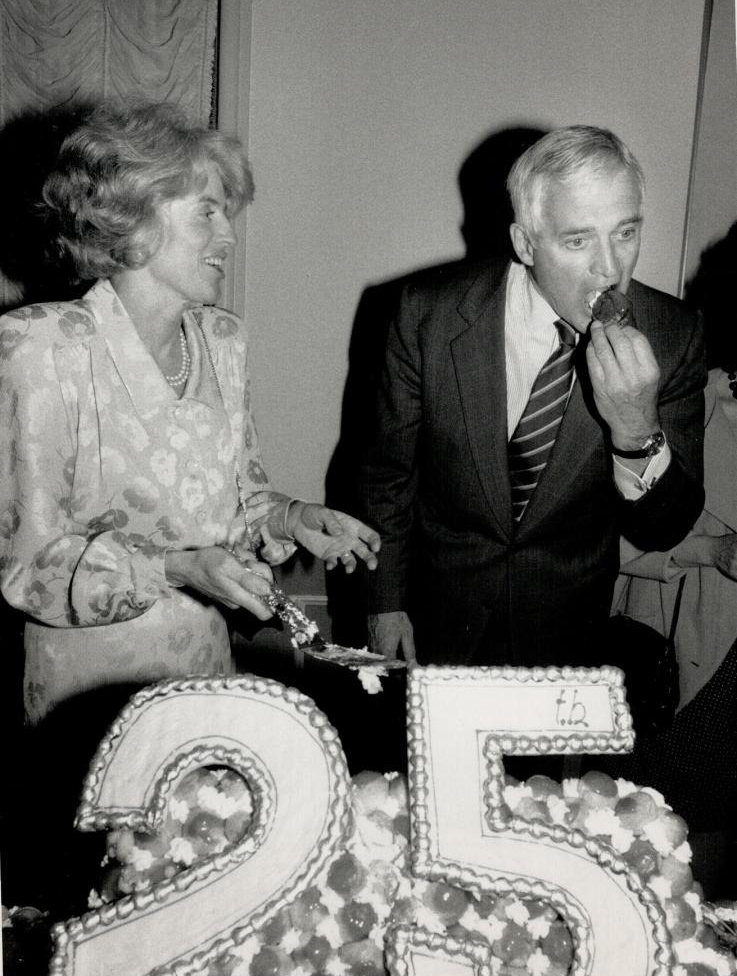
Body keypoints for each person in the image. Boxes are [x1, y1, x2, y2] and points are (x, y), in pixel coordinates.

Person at [0, 100, 380, 727]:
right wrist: (176, 568)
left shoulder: (223, 342)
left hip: (205, 671)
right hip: (94, 692)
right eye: (206, 211)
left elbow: (240, 502)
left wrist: (292, 518)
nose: (228, 234)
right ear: (135, 216)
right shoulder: (41, 348)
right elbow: (31, 567)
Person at [359, 125, 705, 668]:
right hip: (435, 620)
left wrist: (637, 431)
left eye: (626, 233)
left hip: (565, 637)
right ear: (525, 243)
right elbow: (386, 478)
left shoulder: (673, 335)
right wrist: (384, 604)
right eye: (578, 240)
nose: (610, 269)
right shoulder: (426, 314)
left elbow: (663, 529)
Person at [612, 363, 737, 898]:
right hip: (682, 655)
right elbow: (597, 537)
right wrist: (714, 550)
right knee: (650, 830)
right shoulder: (683, 401)